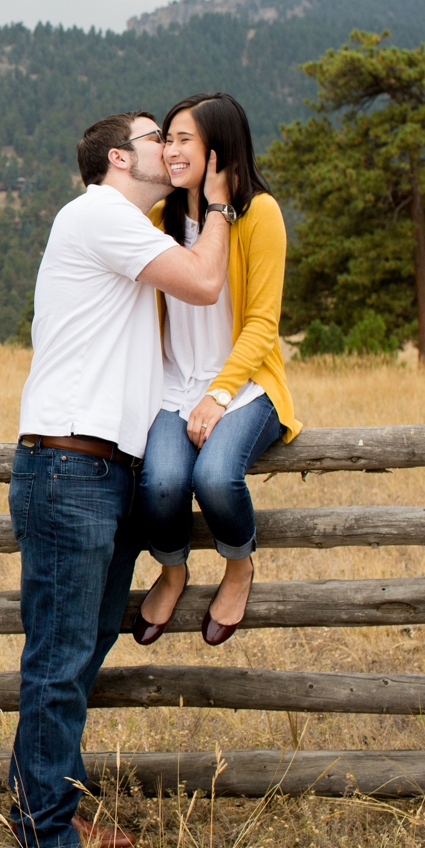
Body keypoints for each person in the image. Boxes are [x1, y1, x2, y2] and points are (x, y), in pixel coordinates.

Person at [8, 109, 233, 848]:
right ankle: (43, 843)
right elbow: (205, 282)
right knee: (60, 658)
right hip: (70, 466)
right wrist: (221, 200)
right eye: (154, 140)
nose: (168, 151)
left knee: (82, 645)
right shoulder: (101, 213)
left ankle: (56, 813)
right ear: (116, 157)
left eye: (177, 142)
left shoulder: (128, 232)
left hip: (102, 471)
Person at [129, 92, 302, 649]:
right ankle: (174, 570)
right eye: (167, 139)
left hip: (246, 387)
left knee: (215, 478)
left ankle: (238, 567)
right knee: (160, 483)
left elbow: (262, 322)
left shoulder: (262, 214)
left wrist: (220, 394)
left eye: (184, 140)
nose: (170, 151)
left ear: (219, 150)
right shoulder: (161, 218)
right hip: (175, 386)